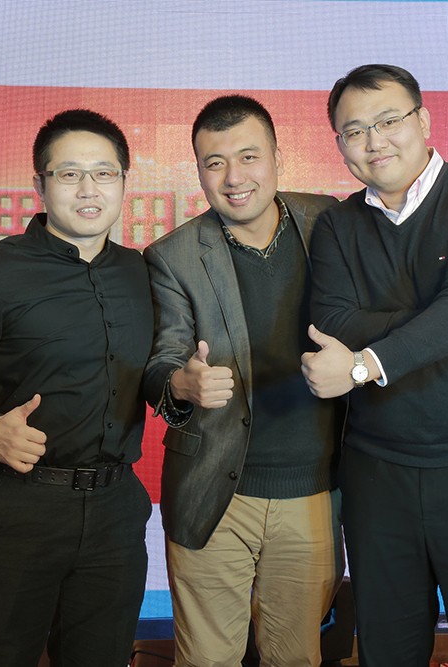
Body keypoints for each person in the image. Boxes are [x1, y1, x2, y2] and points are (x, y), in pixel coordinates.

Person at [301, 64, 448, 666]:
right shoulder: (337, 225)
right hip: (377, 472)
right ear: (340, 144)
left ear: (423, 121)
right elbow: (334, 320)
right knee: (386, 650)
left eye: (389, 121)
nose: (374, 141)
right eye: (354, 130)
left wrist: (363, 365)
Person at [0, 109, 153, 667]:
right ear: (40, 184)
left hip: (116, 509)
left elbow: (158, 370)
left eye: (104, 173)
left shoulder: (143, 273)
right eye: (69, 174)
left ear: (123, 182)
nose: (88, 189)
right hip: (22, 505)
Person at [143, 95, 344, 667]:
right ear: (199, 171)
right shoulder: (172, 256)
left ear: (278, 157)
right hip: (213, 493)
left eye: (249, 157)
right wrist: (181, 385)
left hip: (314, 493)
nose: (234, 178)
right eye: (215, 163)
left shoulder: (330, 220)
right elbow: (162, 360)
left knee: (296, 657)